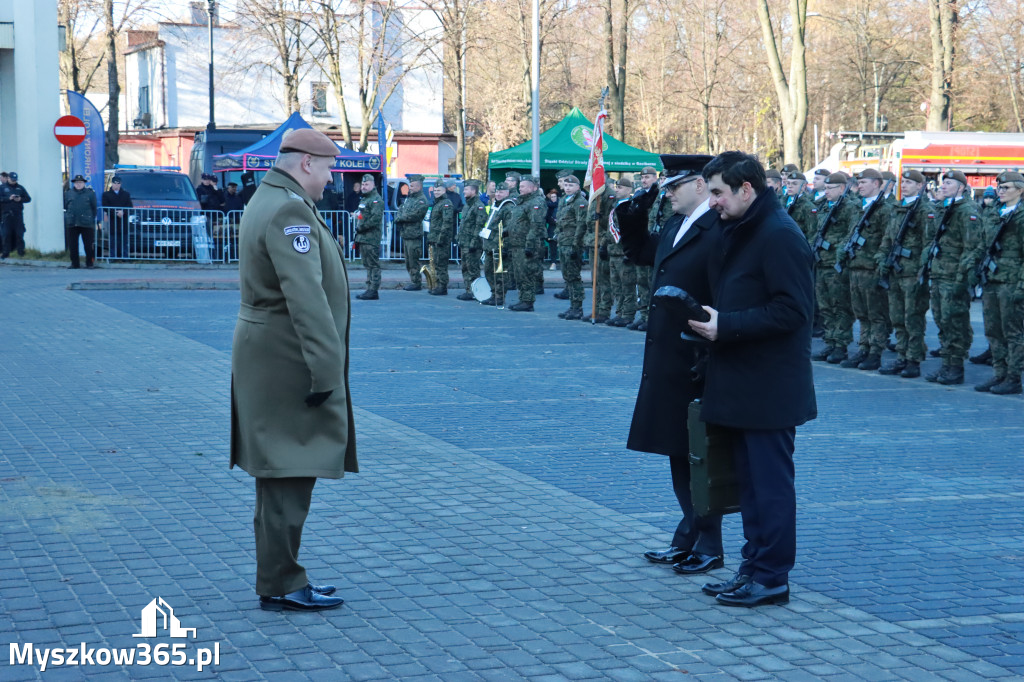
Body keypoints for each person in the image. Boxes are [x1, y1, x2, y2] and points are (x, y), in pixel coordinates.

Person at [230, 127, 356, 612]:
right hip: (288, 358)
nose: (329, 180)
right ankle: (281, 581)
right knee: (289, 470)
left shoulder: (270, 199)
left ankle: (280, 574)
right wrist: (327, 372)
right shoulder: (288, 210)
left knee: (280, 473)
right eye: (327, 170)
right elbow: (307, 300)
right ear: (306, 163)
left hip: (272, 353)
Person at [688, 151, 816, 608]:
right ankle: (753, 568)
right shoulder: (741, 228)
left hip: (769, 387)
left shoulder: (779, 235)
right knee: (749, 489)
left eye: (719, 193)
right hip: (742, 381)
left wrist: (729, 325)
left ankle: (772, 578)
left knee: (769, 488)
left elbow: (794, 311)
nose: (713, 202)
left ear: (747, 189)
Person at [618, 154, 727, 576]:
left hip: (696, 356)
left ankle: (708, 542)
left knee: (698, 453)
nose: (666, 193)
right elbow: (638, 252)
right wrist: (633, 211)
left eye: (673, 186)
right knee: (676, 450)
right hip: (666, 355)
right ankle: (690, 534)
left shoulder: (716, 228)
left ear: (699, 185)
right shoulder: (675, 224)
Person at [968, 171, 1024, 394]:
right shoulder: (993, 213)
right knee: (993, 331)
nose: (1001, 191)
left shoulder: (1020, 216)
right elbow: (982, 244)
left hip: (1012, 282)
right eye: (999, 187)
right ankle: (999, 373)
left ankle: (1013, 377)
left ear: (1020, 190)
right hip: (991, 280)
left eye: (1006, 188)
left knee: (1013, 333)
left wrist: (1021, 285)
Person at [922, 170, 979, 385]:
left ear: (961, 188)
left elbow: (971, 247)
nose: (943, 186)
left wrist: (961, 279)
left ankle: (955, 367)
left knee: (955, 322)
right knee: (942, 321)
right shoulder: (944, 208)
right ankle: (946, 363)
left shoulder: (967, 211)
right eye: (942, 182)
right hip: (938, 273)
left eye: (949, 183)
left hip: (954, 276)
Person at [877, 170, 933, 379]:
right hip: (895, 271)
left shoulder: (925, 209)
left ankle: (913, 360)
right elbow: (888, 238)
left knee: (913, 318)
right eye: (904, 182)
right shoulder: (898, 207)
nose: (905, 185)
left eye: (910, 182)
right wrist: (882, 259)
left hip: (911, 274)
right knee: (898, 317)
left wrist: (922, 271)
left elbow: (929, 243)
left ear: (920, 186)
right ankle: (902, 355)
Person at [838, 168, 895, 371]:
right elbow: (850, 233)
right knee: (861, 313)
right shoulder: (860, 208)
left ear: (877, 184)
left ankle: (874, 352)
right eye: (859, 182)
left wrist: (880, 264)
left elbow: (887, 239)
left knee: (876, 314)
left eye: (864, 183)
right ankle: (863, 348)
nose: (859, 186)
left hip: (872, 269)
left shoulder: (884, 209)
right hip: (856, 267)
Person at [810, 172, 858, 364]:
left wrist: (834, 248)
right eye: (826, 188)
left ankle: (841, 345)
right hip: (821, 263)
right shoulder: (823, 206)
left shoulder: (850, 207)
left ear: (841, 188)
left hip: (837, 265)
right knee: (825, 307)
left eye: (831, 189)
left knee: (840, 307)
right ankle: (830, 341)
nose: (827, 191)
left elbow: (851, 234)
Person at [554, 173, 589, 320]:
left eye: (571, 185)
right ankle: (572, 306)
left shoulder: (580, 202)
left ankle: (577, 307)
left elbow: (581, 224)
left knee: (574, 277)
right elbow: (560, 220)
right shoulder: (564, 200)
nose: (567, 188)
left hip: (572, 243)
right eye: (566, 185)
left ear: (577, 187)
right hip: (563, 241)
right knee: (567, 276)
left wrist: (576, 245)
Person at [629, 166, 660, 332]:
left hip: (652, 243)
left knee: (651, 282)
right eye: (642, 178)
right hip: (640, 241)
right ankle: (643, 316)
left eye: (647, 177)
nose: (644, 180)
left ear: (655, 177)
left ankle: (652, 318)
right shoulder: (639, 194)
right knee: (641, 282)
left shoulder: (660, 195)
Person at [606, 177, 638, 327]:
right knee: (616, 285)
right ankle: (619, 312)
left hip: (624, 252)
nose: (617, 190)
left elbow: (632, 232)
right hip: (613, 251)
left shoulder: (630, 207)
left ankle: (628, 314)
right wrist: (604, 247)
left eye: (620, 188)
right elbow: (610, 231)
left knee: (627, 285)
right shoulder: (615, 206)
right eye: (616, 187)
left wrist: (629, 251)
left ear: (629, 190)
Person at [395, 175, 429, 290]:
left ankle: (416, 282)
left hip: (414, 235)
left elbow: (415, 215)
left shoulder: (421, 200)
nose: (410, 188)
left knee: (414, 260)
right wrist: (400, 216)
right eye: (410, 185)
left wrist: (401, 218)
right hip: (406, 233)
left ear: (419, 187)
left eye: (413, 186)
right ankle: (413, 280)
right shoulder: (410, 198)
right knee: (408, 261)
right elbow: (401, 209)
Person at [353, 173, 384, 300]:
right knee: (367, 265)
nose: (364, 187)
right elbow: (363, 215)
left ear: (373, 185)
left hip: (371, 237)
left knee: (373, 265)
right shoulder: (365, 199)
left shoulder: (376, 200)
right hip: (363, 237)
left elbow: (374, 219)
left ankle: (373, 290)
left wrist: (360, 227)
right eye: (363, 184)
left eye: (367, 184)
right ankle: (369, 288)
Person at [455, 180, 486, 301]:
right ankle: (468, 290)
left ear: (473, 191)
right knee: (465, 267)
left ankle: (475, 291)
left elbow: (479, 225)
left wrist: (474, 242)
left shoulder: (478, 205)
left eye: (466, 189)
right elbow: (464, 224)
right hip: (465, 242)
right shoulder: (468, 205)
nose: (464, 192)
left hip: (472, 243)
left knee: (473, 268)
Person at [427, 179, 455, 295]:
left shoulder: (446, 203)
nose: (436, 192)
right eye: (435, 190)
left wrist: (441, 238)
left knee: (441, 264)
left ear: (444, 191)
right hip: (435, 238)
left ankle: (442, 286)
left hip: (442, 239)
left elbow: (447, 222)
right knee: (437, 263)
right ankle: (437, 284)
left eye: (439, 190)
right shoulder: (437, 203)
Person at [63, 174, 96, 269]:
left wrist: (90, 218)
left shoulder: (90, 193)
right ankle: (75, 263)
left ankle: (89, 263)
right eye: (77, 183)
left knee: (88, 245)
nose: (78, 184)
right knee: (73, 245)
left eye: (80, 183)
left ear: (84, 183)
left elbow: (94, 208)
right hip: (72, 223)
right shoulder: (68, 193)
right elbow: (66, 206)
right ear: (74, 184)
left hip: (86, 223)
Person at [101, 175, 133, 259]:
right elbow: (105, 206)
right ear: (112, 184)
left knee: (124, 240)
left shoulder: (126, 194)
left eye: (118, 183)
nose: (116, 185)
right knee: (113, 241)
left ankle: (125, 257)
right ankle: (112, 257)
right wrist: (116, 213)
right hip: (112, 220)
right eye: (115, 183)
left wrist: (123, 212)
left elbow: (129, 206)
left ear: (121, 184)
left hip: (123, 220)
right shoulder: (106, 194)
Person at [1, 172, 32, 259]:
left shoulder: (20, 188)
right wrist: (8, 198)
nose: (13, 181)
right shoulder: (2, 188)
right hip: (7, 215)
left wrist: (20, 199)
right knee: (6, 234)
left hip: (18, 214)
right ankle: (5, 252)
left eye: (15, 180)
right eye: (12, 180)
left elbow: (28, 198)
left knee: (19, 233)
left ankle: (20, 251)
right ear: (8, 179)